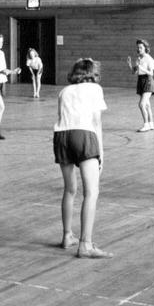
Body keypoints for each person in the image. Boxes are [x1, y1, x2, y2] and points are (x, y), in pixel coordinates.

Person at [54, 57, 110, 259]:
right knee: (91, 191)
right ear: (92, 73)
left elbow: (61, 117)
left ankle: (67, 235)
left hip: (61, 136)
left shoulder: (64, 91)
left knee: (70, 189)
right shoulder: (95, 89)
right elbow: (96, 122)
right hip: (84, 135)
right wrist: (101, 152)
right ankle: (85, 244)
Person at [125, 38, 154, 131]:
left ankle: (146, 125)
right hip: (141, 81)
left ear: (145, 48)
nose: (139, 49)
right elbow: (134, 72)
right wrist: (130, 64)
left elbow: (151, 73)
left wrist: (141, 67)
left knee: (141, 104)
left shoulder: (149, 59)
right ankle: (151, 124)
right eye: (138, 47)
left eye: (141, 47)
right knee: (147, 105)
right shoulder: (139, 58)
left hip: (148, 81)